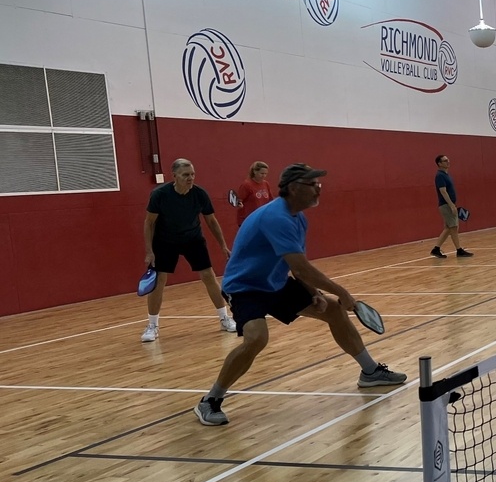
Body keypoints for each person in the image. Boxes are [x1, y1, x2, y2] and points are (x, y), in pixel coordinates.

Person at [194, 163, 409, 426]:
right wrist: (342, 291)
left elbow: (297, 263)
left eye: (318, 184)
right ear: (294, 188)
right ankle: (210, 400)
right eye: (313, 185)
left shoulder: (298, 217)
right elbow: (301, 267)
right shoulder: (277, 217)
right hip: (245, 286)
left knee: (333, 310)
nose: (318, 190)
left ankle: (370, 371)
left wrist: (313, 292)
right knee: (256, 338)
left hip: (274, 282)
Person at [141, 158, 235, 342]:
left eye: (192, 174)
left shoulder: (200, 194)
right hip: (165, 241)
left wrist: (223, 245)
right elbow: (149, 222)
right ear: (174, 176)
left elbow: (211, 221)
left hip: (192, 239)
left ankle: (225, 319)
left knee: (208, 275)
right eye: (186, 175)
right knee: (159, 281)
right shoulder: (160, 194)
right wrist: (149, 250)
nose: (190, 178)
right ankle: (152, 326)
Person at [430, 154, 474, 258]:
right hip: (446, 205)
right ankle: (459, 250)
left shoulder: (446, 175)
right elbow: (443, 191)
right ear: (439, 164)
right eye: (445, 161)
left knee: (448, 228)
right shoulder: (440, 175)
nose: (448, 162)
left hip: (449, 204)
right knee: (453, 227)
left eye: (448, 160)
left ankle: (436, 249)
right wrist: (451, 206)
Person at [236, 161, 272, 225]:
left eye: (265, 173)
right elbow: (239, 201)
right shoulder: (246, 185)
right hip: (248, 219)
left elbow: (270, 200)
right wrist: (239, 204)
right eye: (262, 173)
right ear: (255, 172)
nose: (264, 175)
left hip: (261, 219)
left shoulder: (266, 184)